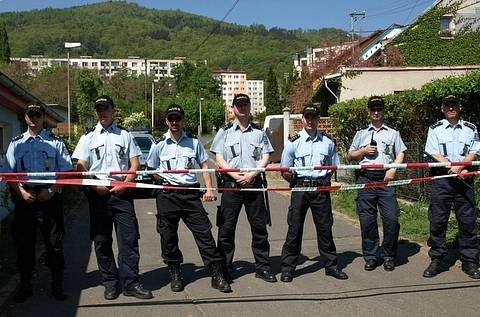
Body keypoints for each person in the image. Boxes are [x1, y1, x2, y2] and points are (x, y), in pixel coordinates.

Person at [72, 95, 153, 300]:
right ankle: (110, 282)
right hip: (98, 193)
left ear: (113, 110)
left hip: (122, 193)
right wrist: (95, 184)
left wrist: (125, 182)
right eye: (99, 109)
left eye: (106, 108)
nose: (102, 112)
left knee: (129, 239)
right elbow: (81, 166)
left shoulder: (124, 135)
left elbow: (134, 164)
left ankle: (131, 283)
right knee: (101, 241)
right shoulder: (88, 137)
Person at [146, 104, 231, 293]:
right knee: (168, 237)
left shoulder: (193, 142)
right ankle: (175, 272)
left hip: (190, 195)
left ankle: (216, 275)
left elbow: (204, 164)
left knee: (205, 235)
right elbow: (150, 168)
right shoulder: (159, 144)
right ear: (167, 121)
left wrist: (209, 189)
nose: (175, 122)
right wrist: (161, 183)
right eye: (171, 119)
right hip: (168, 196)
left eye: (178, 118)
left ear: (182, 119)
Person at [6, 103, 72, 302]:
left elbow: (66, 172)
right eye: (30, 115)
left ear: (44, 117)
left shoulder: (56, 142)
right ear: (25, 118)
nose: (33, 118)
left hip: (49, 197)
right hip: (25, 197)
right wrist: (22, 192)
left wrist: (51, 190)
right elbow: (9, 173)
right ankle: (25, 285)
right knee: (24, 243)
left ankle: (57, 284)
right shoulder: (16, 143)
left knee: (55, 242)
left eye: (37, 114)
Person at [210, 93, 277, 283]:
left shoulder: (258, 132)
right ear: (233, 109)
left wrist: (252, 174)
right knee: (226, 229)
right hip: (231, 186)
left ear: (249, 107)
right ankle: (225, 268)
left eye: (245, 105)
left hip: (254, 185)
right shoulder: (224, 132)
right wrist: (235, 175)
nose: (242, 108)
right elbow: (219, 158)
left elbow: (266, 157)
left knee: (259, 229)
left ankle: (263, 267)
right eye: (238, 105)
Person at [279, 104, 348, 282]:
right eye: (307, 117)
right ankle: (288, 268)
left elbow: (333, 166)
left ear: (318, 119)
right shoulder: (294, 142)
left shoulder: (328, 142)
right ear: (302, 120)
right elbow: (284, 169)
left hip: (320, 189)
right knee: (294, 229)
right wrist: (295, 182)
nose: (310, 121)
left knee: (325, 228)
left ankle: (331, 266)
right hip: (301, 187)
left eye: (313, 117)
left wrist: (323, 181)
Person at [423, 94, 480, 279]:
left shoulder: (471, 128)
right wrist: (451, 165)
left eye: (454, 105)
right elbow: (432, 151)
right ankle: (437, 259)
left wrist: (461, 166)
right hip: (442, 180)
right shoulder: (435, 129)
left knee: (467, 222)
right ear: (442, 109)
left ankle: (470, 261)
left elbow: (475, 151)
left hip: (464, 180)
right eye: (447, 105)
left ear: (460, 107)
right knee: (438, 221)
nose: (451, 108)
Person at [347, 96, 406, 272]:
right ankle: (371, 256)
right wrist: (363, 151)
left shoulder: (393, 132)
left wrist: (393, 170)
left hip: (385, 178)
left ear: (383, 111)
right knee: (367, 221)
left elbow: (400, 152)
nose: (376, 112)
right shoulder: (361, 133)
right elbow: (350, 155)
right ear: (369, 112)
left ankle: (388, 255)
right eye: (373, 109)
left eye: (379, 109)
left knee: (392, 219)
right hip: (365, 178)